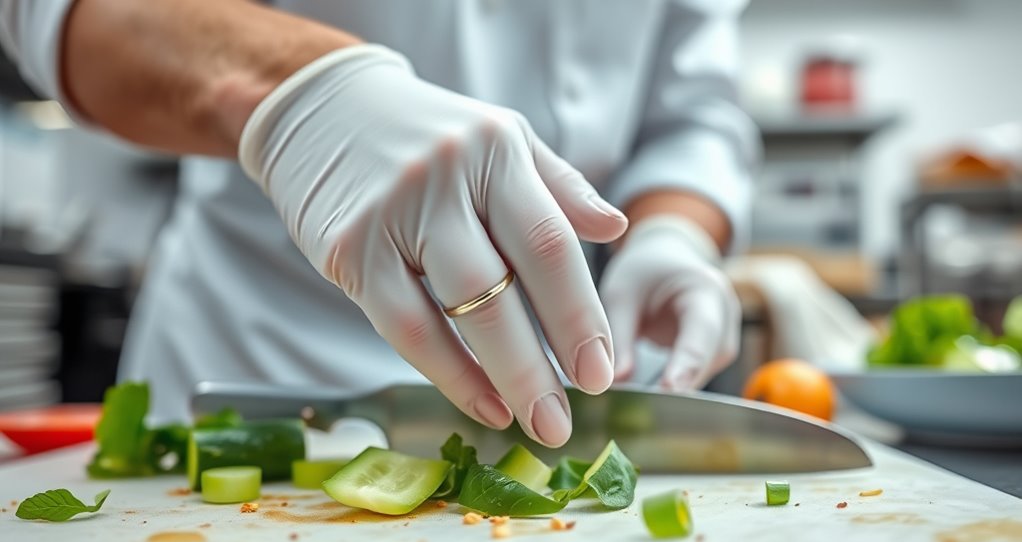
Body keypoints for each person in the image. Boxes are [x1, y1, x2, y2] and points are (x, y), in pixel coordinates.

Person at [0, 0, 757, 447]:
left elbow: (695, 114)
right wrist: (300, 90)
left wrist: (675, 233)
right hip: (254, 375)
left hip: (557, 414)